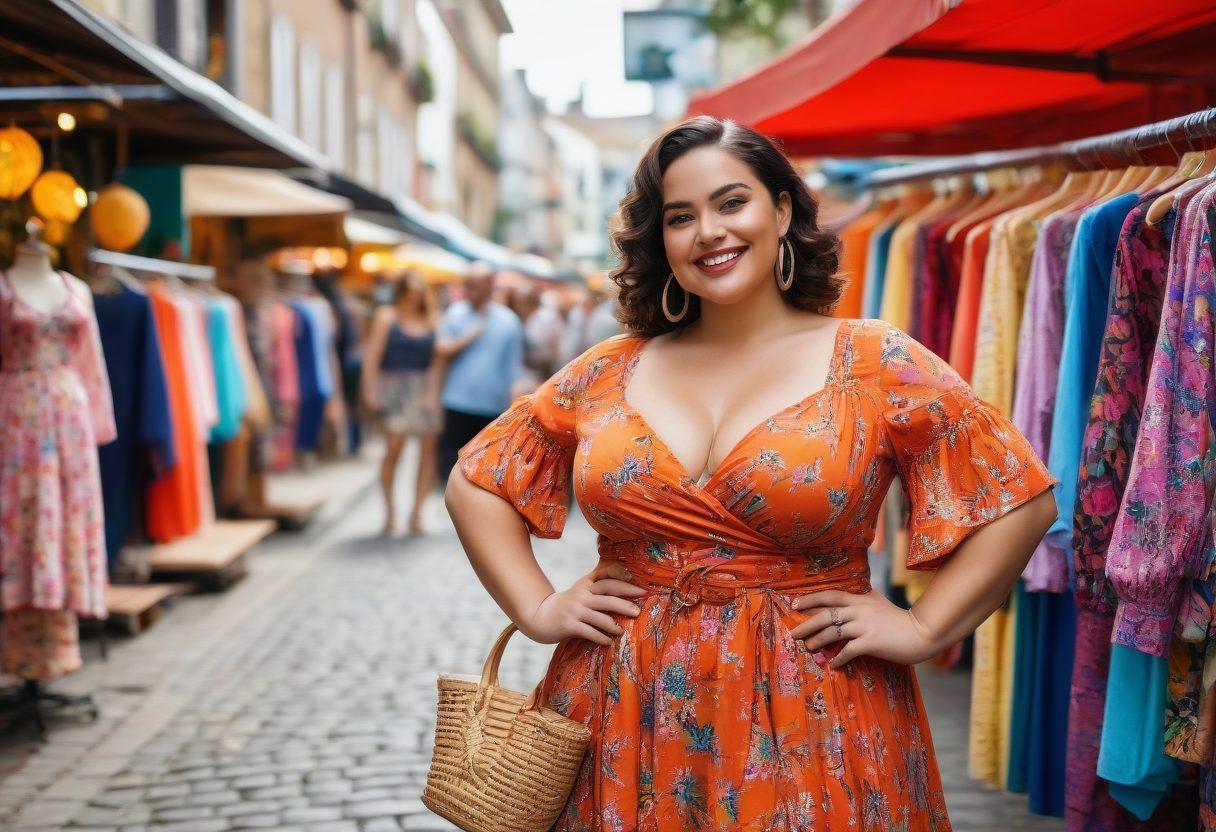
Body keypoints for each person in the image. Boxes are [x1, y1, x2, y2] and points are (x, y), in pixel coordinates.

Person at [445, 116, 1058, 830]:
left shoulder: (872, 360)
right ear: (661, 240)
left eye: (731, 203)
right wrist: (539, 609)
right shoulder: (611, 368)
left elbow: (1017, 496)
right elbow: (477, 481)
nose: (708, 231)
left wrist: (925, 628)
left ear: (783, 210)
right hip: (620, 708)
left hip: (815, 712)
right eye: (681, 216)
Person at [361, 271, 442, 536]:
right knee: (393, 449)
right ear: (401, 290)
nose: (414, 295)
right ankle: (390, 512)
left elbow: (437, 361)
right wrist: (370, 390)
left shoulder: (432, 320)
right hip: (393, 387)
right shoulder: (387, 317)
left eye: (419, 290)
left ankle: (416, 513)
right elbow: (372, 356)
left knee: (427, 451)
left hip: (423, 390)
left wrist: (432, 393)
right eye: (409, 290)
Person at [434, 261, 525, 490]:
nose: (471, 288)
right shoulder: (454, 314)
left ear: (490, 285)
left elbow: (514, 367)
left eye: (477, 283)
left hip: (492, 406)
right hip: (456, 402)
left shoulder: (508, 321)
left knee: (483, 469)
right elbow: (441, 354)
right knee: (449, 464)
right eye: (469, 283)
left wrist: (514, 404)